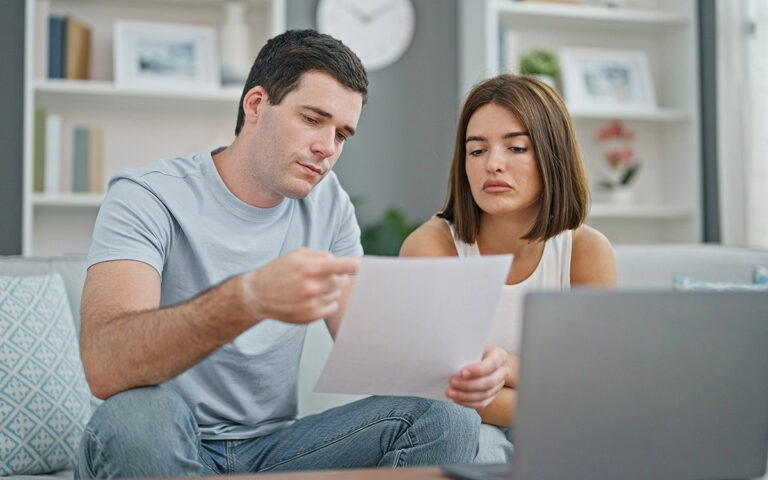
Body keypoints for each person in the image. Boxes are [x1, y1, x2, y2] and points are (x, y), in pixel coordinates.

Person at [75, 30, 511, 478]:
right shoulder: (148, 196)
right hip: (167, 439)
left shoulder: (328, 204)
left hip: (272, 450)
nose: (327, 149)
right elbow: (107, 366)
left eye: (342, 134)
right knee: (139, 416)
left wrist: (463, 368)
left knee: (447, 417)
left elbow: (372, 342)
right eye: (312, 119)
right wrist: (248, 298)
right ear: (256, 105)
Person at [400, 74, 617, 462]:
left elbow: (595, 388)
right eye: (476, 151)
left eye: (516, 147)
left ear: (554, 156)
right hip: (460, 432)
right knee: (482, 446)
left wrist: (508, 368)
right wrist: (557, 392)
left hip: (562, 434)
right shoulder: (431, 247)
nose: (493, 165)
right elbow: (438, 396)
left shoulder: (587, 251)